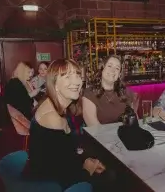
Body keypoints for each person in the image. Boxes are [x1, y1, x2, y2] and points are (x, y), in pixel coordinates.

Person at [26, 59, 112, 192]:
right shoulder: (53, 118)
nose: (76, 81)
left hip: (54, 175)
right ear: (54, 84)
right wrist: (87, 169)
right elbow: (63, 175)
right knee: (111, 179)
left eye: (77, 75)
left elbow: (62, 157)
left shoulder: (57, 106)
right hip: (49, 186)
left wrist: (86, 161)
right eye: (67, 77)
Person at [82, 55, 136, 126]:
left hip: (124, 135)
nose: (113, 70)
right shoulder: (89, 94)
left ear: (119, 74)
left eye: (117, 68)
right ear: (102, 69)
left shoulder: (127, 93)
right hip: (100, 136)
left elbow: (133, 122)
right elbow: (94, 128)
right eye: (109, 66)